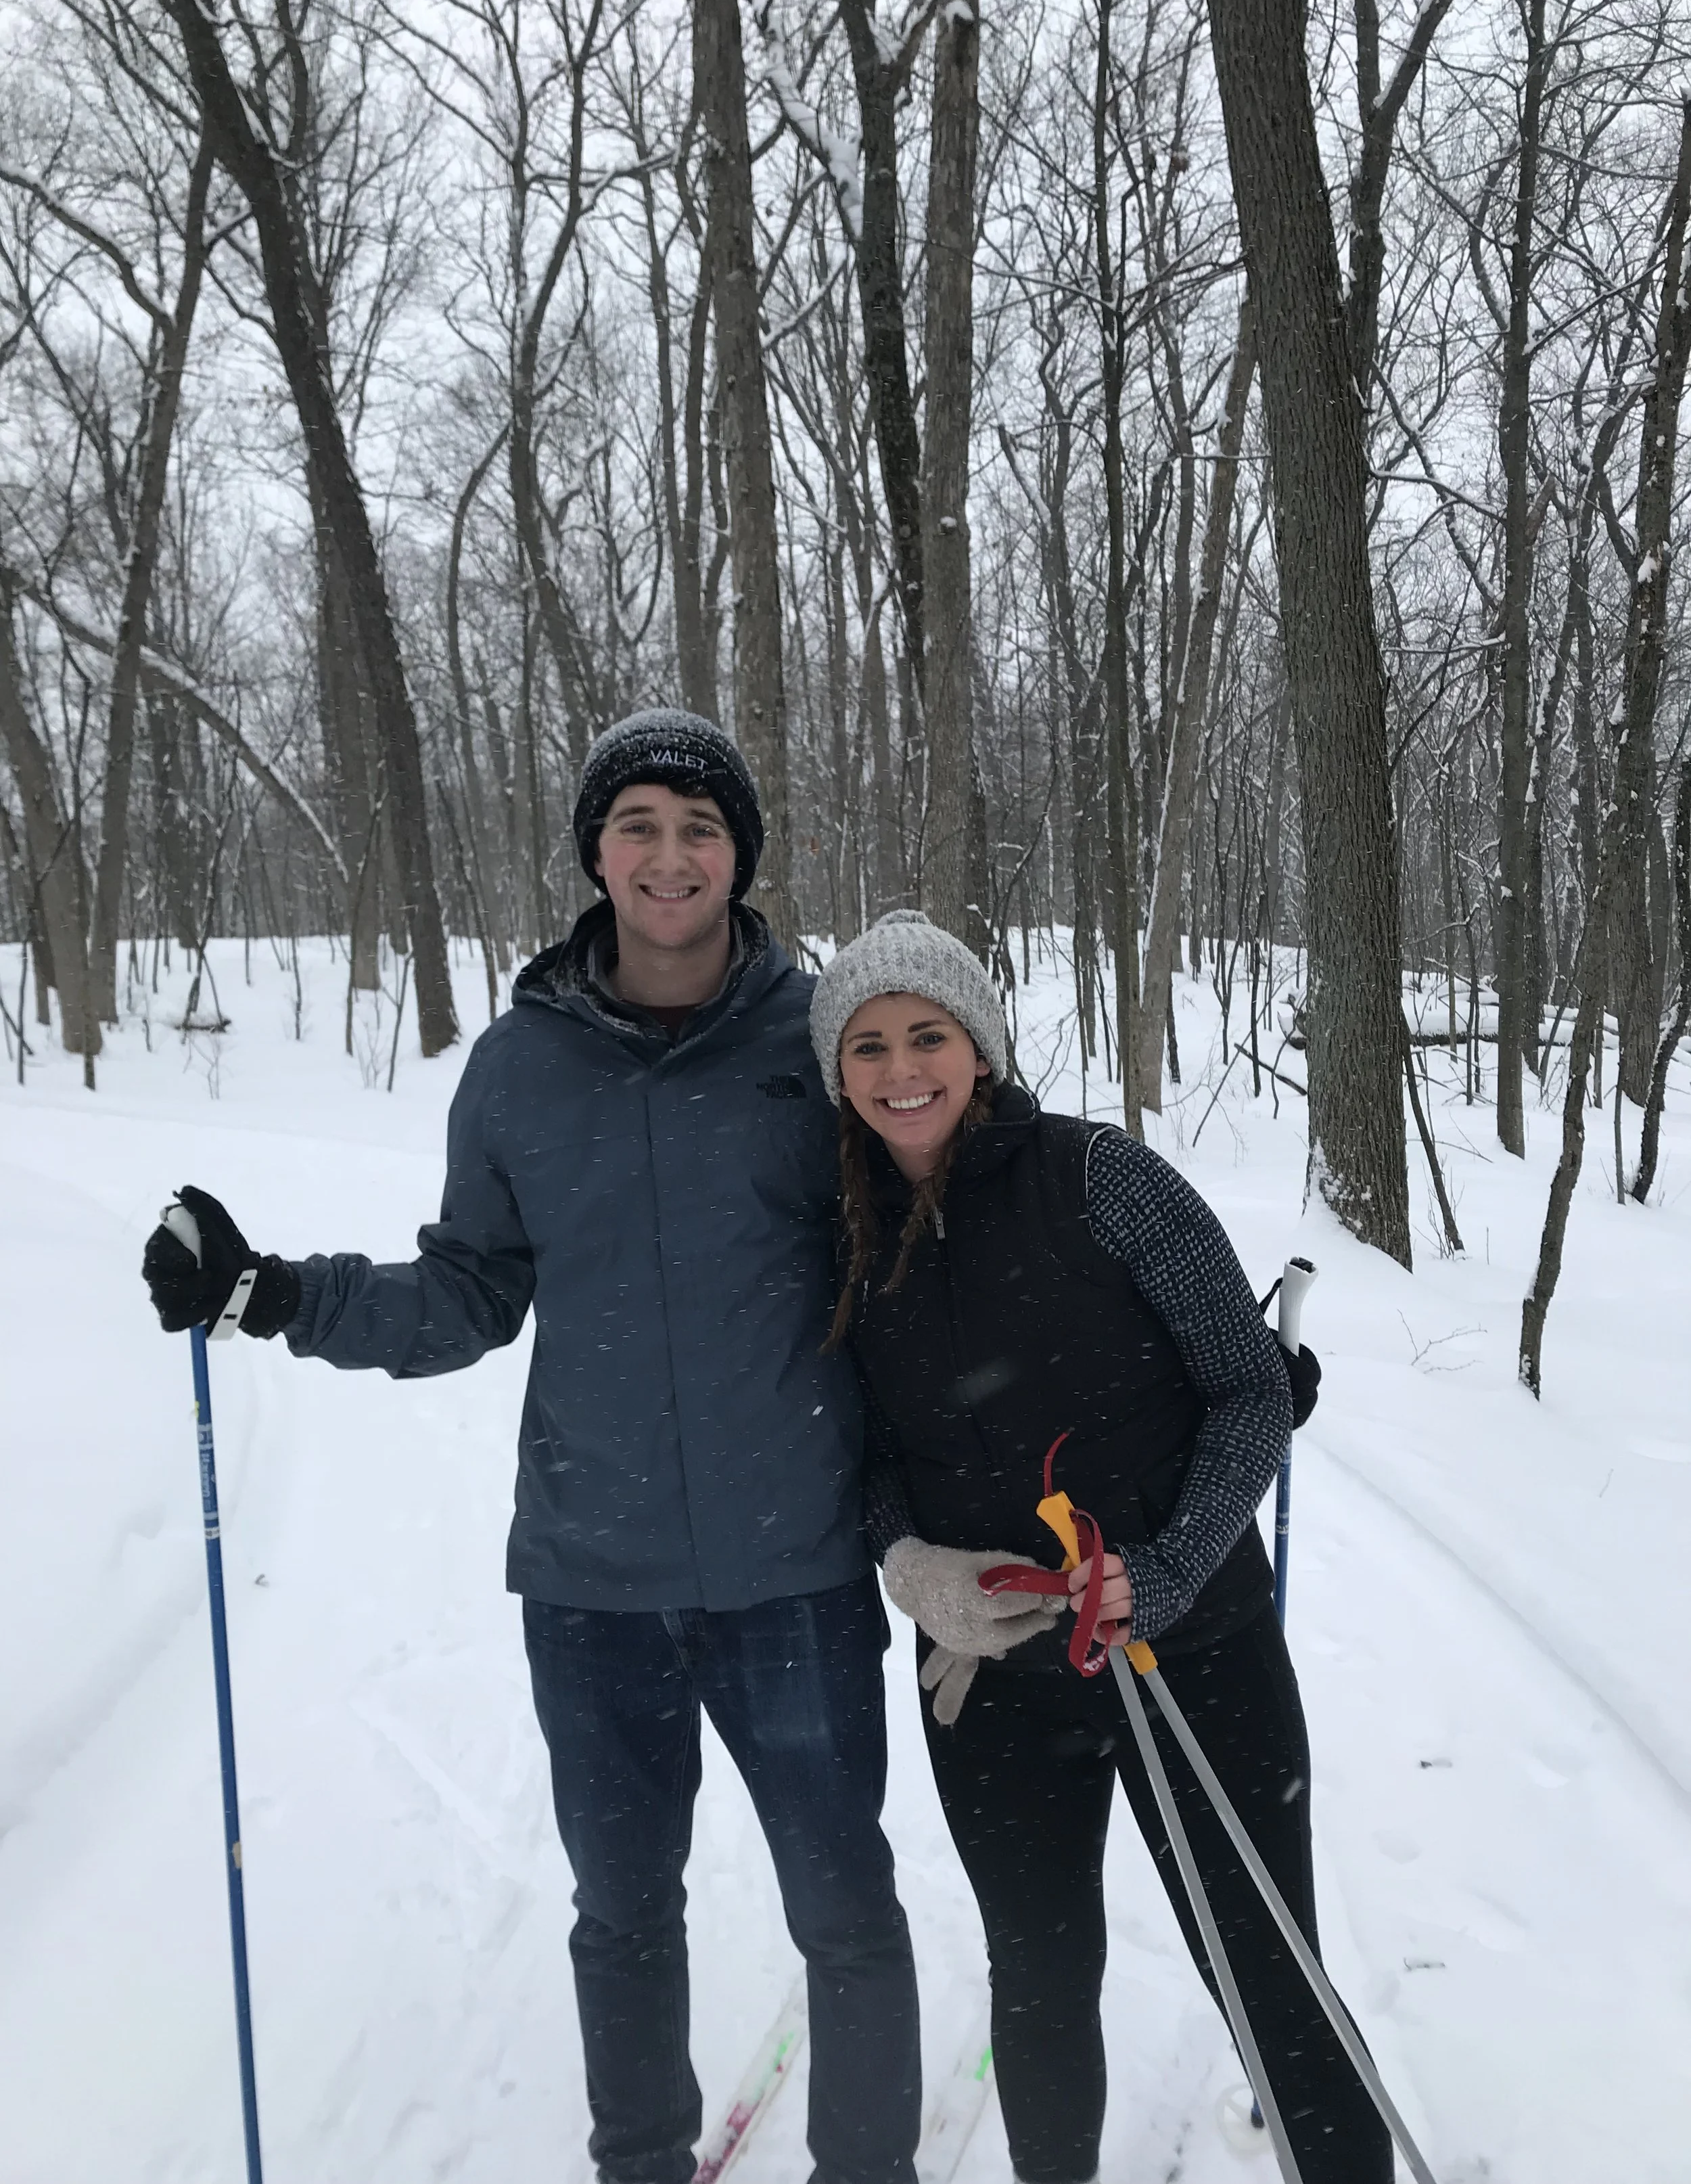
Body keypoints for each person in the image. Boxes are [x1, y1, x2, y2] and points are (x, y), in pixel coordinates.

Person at [140, 710, 923, 2184]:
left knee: (844, 1904)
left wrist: (1160, 1337)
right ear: (595, 852)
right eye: (639, 821)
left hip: (792, 1573)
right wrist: (276, 1292)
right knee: (621, 1910)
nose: (671, 852)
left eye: (701, 825)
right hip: (592, 1580)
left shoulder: (817, 1037)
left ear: (740, 853)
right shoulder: (516, 1067)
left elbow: (933, 1224)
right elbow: (465, 1293)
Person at [809, 909, 1393, 2184]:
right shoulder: (837, 1235)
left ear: (981, 1044)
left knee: (1268, 1971)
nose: (903, 1069)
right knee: (1037, 1974)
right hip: (993, 1688)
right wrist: (911, 1565)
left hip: (1198, 1659)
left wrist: (1171, 1570)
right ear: (835, 1072)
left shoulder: (1100, 1178)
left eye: (930, 1034)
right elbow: (854, 1458)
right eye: (868, 1046)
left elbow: (1252, 1394)